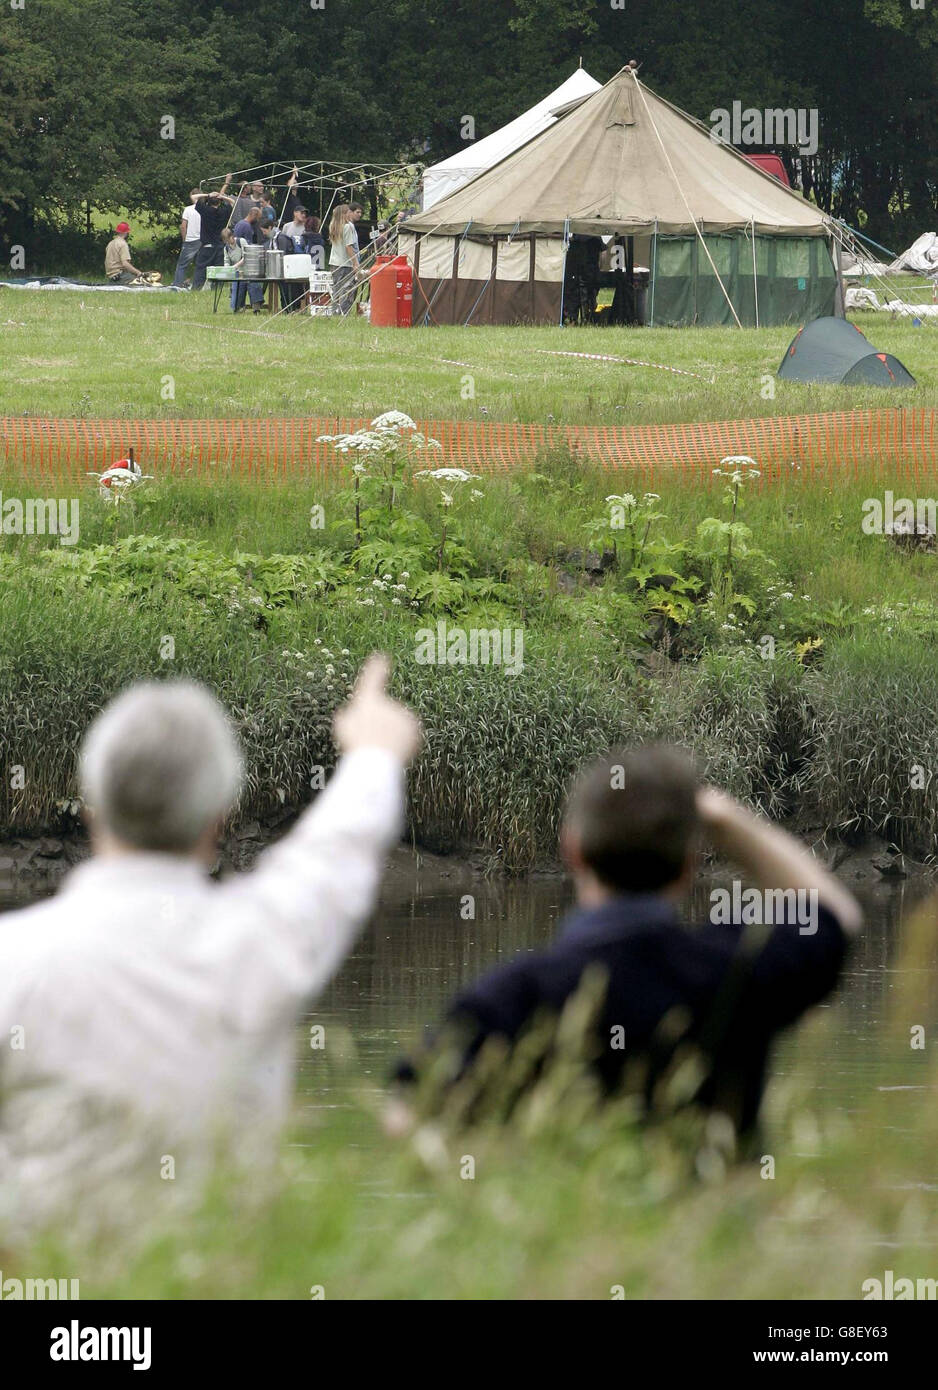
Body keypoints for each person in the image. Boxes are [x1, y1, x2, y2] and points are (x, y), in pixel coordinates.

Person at [0, 656, 421, 1236]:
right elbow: (335, 854)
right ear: (219, 815)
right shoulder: (260, 941)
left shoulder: (13, 962)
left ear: (91, 804)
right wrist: (374, 752)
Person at [392, 745, 861, 1142]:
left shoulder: (514, 995)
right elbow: (836, 914)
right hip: (711, 1244)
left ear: (572, 850)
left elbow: (405, 1118)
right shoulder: (736, 966)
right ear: (690, 864)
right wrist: (731, 824)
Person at [192, 177, 235, 290]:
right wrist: (222, 196)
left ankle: (196, 289)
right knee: (218, 272)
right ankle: (216, 290)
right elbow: (233, 202)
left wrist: (208, 195)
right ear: (219, 202)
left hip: (207, 247)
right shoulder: (224, 212)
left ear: (208, 202)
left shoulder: (205, 210)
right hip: (220, 246)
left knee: (201, 270)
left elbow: (193, 197)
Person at [229, 207, 265, 314]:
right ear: (253, 215)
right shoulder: (247, 227)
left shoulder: (240, 223)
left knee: (242, 283)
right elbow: (248, 248)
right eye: (258, 218)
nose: (258, 221)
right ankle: (255, 307)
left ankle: (239, 306)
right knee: (252, 281)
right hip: (244, 260)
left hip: (238, 259)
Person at [329, 203, 362, 315]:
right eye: (348, 211)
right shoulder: (347, 226)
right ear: (344, 214)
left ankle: (335, 311)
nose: (350, 213)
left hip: (334, 262)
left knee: (336, 289)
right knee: (347, 289)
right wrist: (355, 263)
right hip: (345, 263)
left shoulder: (334, 225)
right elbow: (349, 246)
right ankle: (344, 312)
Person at [171, 190, 202, 290]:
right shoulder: (205, 209)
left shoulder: (188, 209)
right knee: (199, 265)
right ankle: (197, 286)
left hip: (190, 240)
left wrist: (184, 239)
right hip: (202, 240)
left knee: (182, 265)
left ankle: (177, 285)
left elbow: (183, 226)